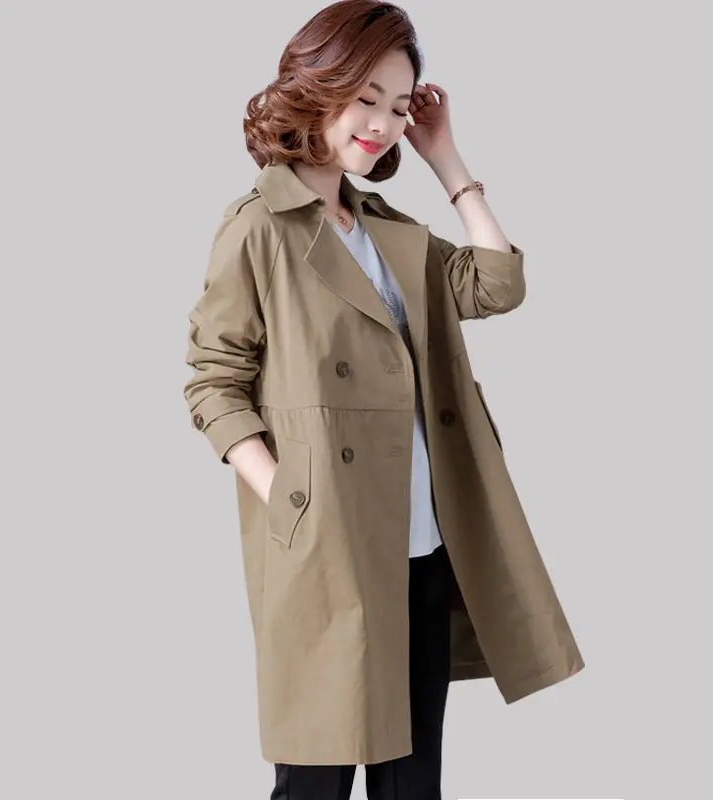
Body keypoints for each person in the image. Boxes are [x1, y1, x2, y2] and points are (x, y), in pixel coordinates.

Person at [183, 1, 585, 798]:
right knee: (315, 781)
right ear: (316, 87)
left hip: (422, 543)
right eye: (366, 98)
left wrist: (446, 159)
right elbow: (213, 379)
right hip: (328, 547)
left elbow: (496, 284)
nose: (383, 123)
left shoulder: (387, 229)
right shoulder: (259, 226)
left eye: (399, 107)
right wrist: (291, 499)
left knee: (412, 784)